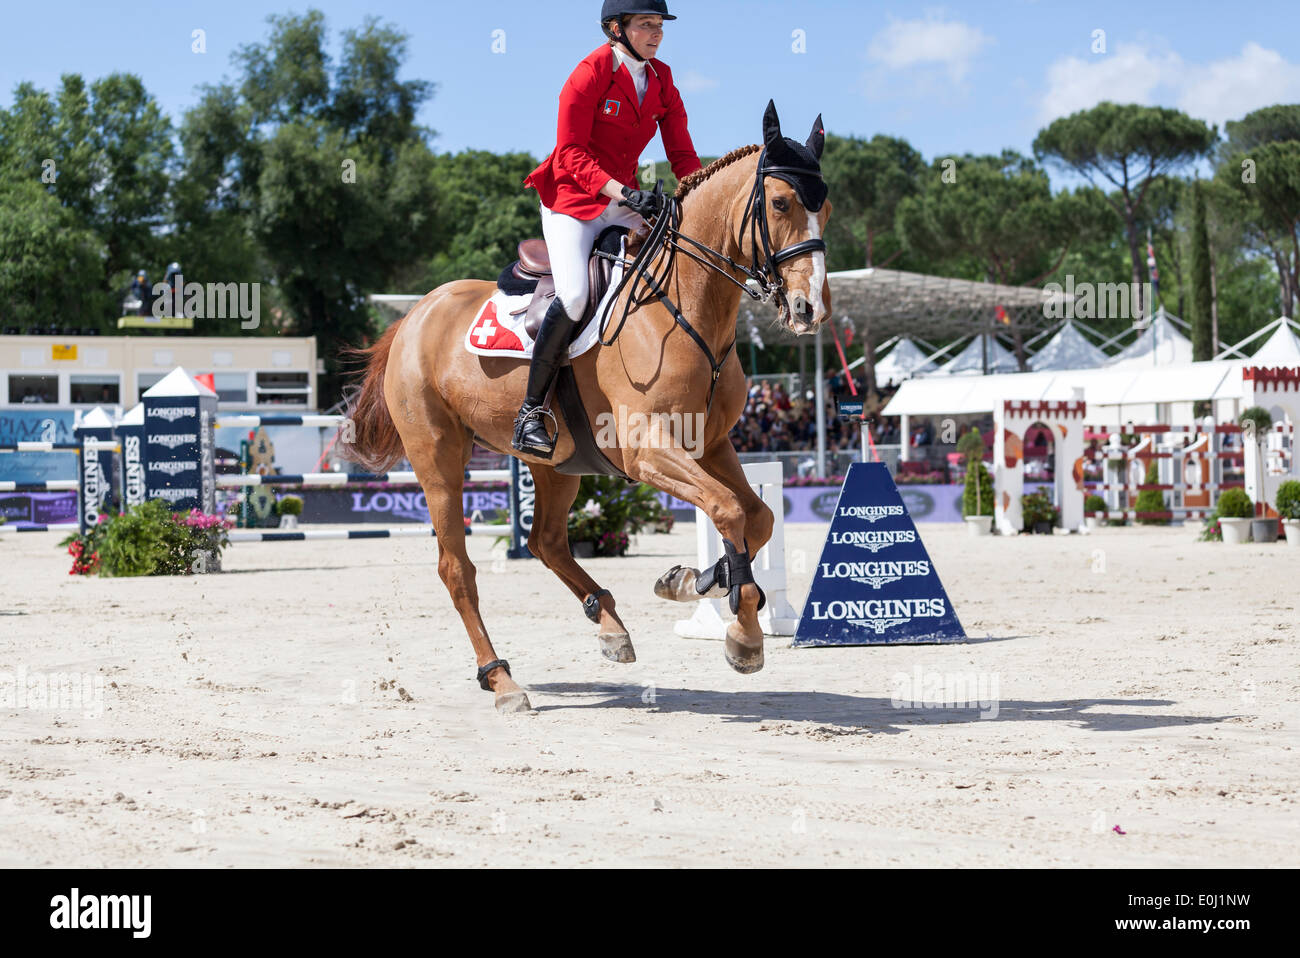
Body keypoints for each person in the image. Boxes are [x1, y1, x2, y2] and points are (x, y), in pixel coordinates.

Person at [514, 0, 702, 457]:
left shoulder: (662, 79)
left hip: (621, 200)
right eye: (646, 25)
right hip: (571, 201)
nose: (656, 34)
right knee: (575, 295)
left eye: (660, 26)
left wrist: (698, 195)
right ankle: (530, 412)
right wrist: (622, 192)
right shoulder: (589, 73)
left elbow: (682, 155)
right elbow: (570, 154)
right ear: (615, 29)